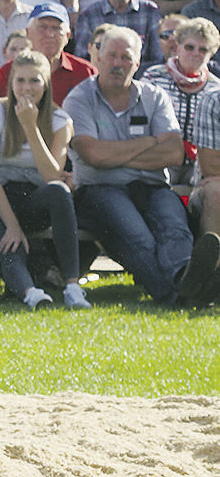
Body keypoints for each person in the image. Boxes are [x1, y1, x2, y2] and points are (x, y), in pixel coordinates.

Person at [65, 27, 195, 306]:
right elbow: (92, 156)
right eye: (111, 55)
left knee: (174, 228)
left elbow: (174, 152)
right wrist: (150, 141)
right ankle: (180, 295)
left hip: (153, 186)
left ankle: (185, 280)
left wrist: (114, 157)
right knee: (138, 237)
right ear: (98, 57)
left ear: (137, 63)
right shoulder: (79, 99)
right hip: (100, 190)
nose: (117, 63)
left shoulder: (154, 96)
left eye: (126, 57)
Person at [0, 50, 87, 309]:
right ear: (11, 83)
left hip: (32, 194)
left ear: (46, 84)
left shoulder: (60, 120)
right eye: (20, 81)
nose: (26, 88)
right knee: (11, 242)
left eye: (34, 80)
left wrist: (31, 127)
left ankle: (73, 286)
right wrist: (13, 225)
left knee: (59, 192)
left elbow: (52, 175)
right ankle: (31, 294)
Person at [140, 16, 220, 190]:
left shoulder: (216, 89)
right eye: (190, 47)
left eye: (203, 49)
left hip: (199, 167)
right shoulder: (153, 77)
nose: (195, 53)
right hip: (159, 161)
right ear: (178, 46)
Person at [0, 1, 95, 103]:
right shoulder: (9, 71)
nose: (49, 34)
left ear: (68, 36)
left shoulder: (85, 72)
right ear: (28, 33)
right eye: (43, 27)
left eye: (56, 28)